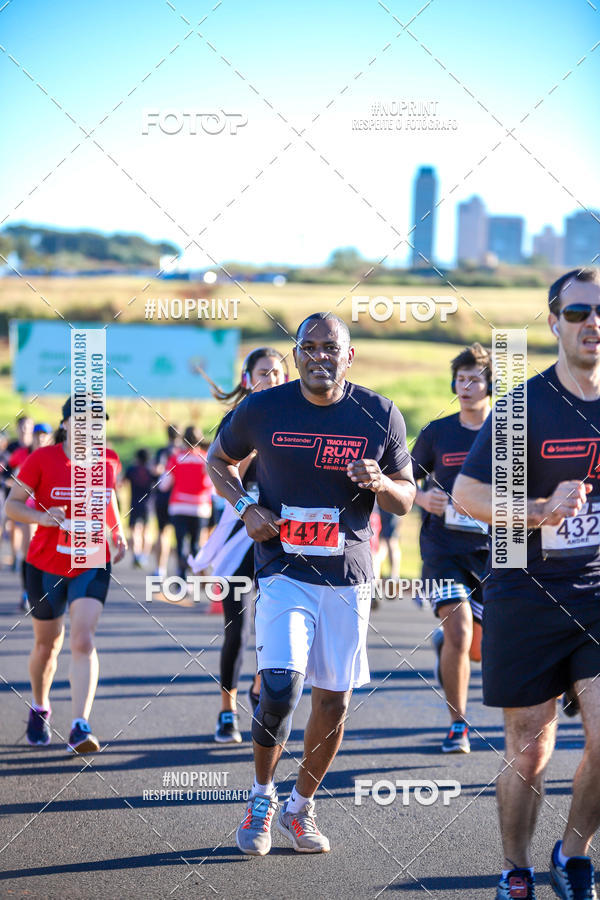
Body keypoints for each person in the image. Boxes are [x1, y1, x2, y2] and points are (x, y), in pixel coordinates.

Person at [207, 312, 415, 856]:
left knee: (333, 701)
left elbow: (407, 498)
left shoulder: (379, 413)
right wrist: (247, 505)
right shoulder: (262, 407)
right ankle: (261, 798)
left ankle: (301, 807)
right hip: (283, 568)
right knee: (279, 686)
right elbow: (217, 460)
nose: (320, 356)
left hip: (347, 574)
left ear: (349, 357)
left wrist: (381, 481)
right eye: (310, 347)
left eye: (332, 348)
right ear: (296, 354)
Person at [454, 268, 600, 900]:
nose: (593, 324)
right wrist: (539, 508)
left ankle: (572, 855)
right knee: (529, 749)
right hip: (526, 592)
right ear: (553, 322)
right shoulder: (524, 406)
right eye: (578, 314)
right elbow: (466, 494)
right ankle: (516, 866)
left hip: (597, 592)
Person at [5, 397, 127, 753]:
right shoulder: (41, 459)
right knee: (48, 644)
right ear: (66, 423)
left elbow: (109, 501)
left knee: (83, 639)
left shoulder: (108, 460)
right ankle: (40, 706)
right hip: (45, 562)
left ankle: (79, 725)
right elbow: (12, 505)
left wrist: (117, 531)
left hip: (91, 558)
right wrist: (42, 517)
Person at [190, 347, 288, 744]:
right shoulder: (238, 421)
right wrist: (258, 446)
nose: (273, 379)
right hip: (240, 532)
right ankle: (226, 711)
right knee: (239, 627)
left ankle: (258, 683)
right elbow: (225, 473)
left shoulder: (297, 417)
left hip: (284, 535)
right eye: (264, 372)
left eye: (279, 373)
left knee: (279, 624)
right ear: (248, 378)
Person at [412, 343, 492, 753]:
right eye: (460, 379)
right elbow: (401, 480)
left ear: (489, 385)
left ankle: (450, 647)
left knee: (481, 648)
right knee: (459, 631)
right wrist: (423, 499)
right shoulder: (437, 433)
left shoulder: (509, 434)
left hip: (496, 552)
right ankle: (458, 725)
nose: (466, 386)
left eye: (474, 379)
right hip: (443, 549)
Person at [160, 426, 212, 579]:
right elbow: (211, 484)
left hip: (179, 506)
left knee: (181, 543)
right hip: (200, 507)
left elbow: (164, 485)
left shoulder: (176, 458)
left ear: (183, 440)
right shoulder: (206, 458)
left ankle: (182, 578)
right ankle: (196, 575)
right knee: (196, 544)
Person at [152, 424, 181, 578]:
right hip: (178, 496)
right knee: (180, 536)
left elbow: (156, 469)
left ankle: (160, 569)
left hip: (163, 496)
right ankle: (179, 570)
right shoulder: (182, 452)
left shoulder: (162, 451)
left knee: (162, 533)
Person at [124, 448, 154, 567]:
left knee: (134, 531)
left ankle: (136, 555)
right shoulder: (151, 471)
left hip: (134, 504)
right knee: (146, 531)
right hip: (148, 505)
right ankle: (144, 556)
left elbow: (122, 483)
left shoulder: (131, 470)